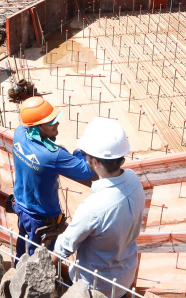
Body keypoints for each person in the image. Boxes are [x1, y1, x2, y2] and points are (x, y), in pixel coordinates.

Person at [55, 118, 143, 294]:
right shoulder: (134, 179)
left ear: (95, 162)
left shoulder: (93, 208)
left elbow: (63, 246)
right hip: (124, 278)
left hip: (95, 287)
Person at [12, 96, 93, 260]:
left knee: (22, 251)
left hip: (21, 208)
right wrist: (79, 152)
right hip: (42, 220)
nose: (56, 123)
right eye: (50, 121)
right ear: (36, 125)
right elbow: (85, 171)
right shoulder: (54, 155)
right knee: (41, 261)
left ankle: (15, 277)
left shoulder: (19, 134)